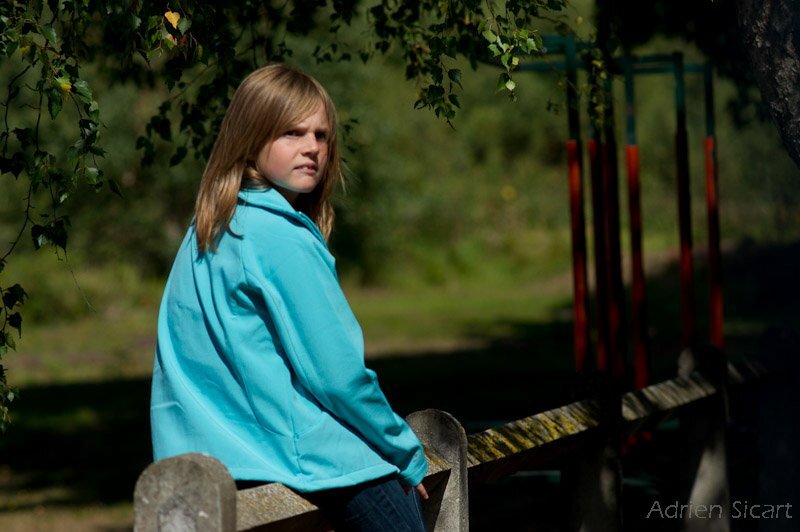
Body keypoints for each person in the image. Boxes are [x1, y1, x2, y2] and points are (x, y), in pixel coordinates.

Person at [150, 63, 429, 531]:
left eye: (321, 135)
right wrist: (402, 450)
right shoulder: (278, 236)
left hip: (207, 463)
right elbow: (338, 377)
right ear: (250, 138)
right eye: (292, 133)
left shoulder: (207, 230)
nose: (312, 147)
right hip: (301, 457)